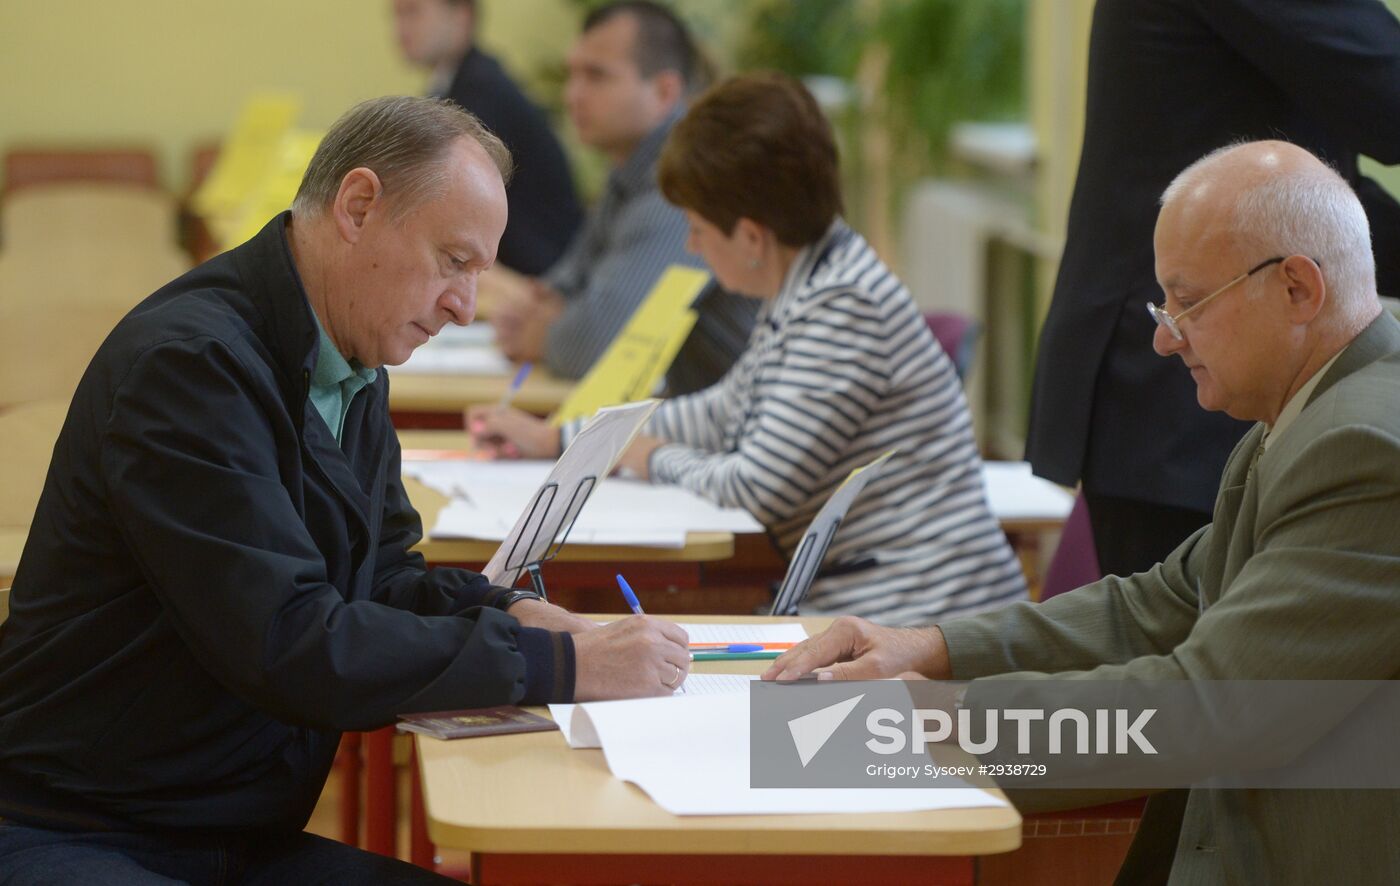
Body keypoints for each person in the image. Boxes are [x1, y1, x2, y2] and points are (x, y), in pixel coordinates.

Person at [0, 96, 689, 884]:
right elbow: (291, 640)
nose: (465, 307)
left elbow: (381, 578)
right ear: (359, 206)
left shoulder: (351, 359)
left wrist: (509, 612)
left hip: (225, 828)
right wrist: (560, 668)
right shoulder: (190, 365)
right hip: (83, 829)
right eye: (453, 261)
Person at [766, 141, 1400, 884]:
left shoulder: (1363, 445)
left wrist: (934, 724)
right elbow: (1159, 603)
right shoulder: (1320, 403)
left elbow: (1210, 708)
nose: (1166, 338)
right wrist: (929, 648)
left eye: (1188, 302)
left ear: (1297, 287)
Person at [473, 74, 1027, 625]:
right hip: (868, 604)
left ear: (752, 237)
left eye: (696, 229)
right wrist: (567, 441)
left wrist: (647, 455)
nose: (690, 245)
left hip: (919, 620)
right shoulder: (813, 278)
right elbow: (722, 411)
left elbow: (756, 488)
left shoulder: (844, 306)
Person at [1026, 0, 1400, 580]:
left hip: (1183, 371)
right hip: (1188, 373)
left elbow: (1322, 205)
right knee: (1194, 649)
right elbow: (1387, 88)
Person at [492, 0, 759, 395]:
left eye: (596, 76)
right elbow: (558, 288)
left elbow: (596, 345)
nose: (572, 95)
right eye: (573, 75)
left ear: (665, 91)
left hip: (747, 434)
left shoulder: (689, 182)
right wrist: (549, 316)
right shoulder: (629, 174)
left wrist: (547, 333)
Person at [392, 0, 583, 274]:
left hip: (537, 273)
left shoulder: (480, 90)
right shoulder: (459, 81)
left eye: (412, 12)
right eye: (397, 15)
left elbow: (441, 198)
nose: (400, 29)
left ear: (461, 17)